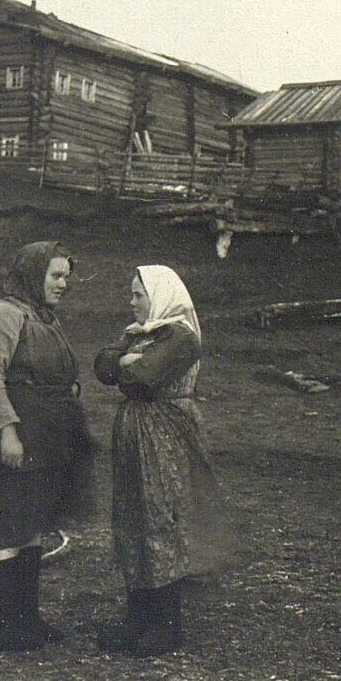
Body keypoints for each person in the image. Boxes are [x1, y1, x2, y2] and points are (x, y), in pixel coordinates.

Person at [93, 265, 232, 657]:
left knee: (161, 517)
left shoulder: (181, 336)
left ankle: (166, 625)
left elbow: (142, 377)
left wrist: (127, 361)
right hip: (137, 430)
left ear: (161, 295)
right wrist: (126, 358)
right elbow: (102, 365)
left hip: (167, 431)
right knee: (132, 516)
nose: (132, 301)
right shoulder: (142, 333)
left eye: (139, 294)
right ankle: (138, 618)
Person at [0, 241, 94, 652]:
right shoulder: (2, 314)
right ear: (32, 274)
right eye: (55, 275)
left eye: (66, 277)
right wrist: (7, 430)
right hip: (15, 438)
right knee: (9, 526)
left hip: (45, 438)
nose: (63, 284)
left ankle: (25, 619)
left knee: (33, 524)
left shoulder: (44, 318)